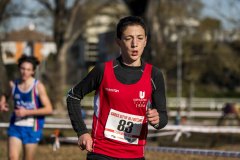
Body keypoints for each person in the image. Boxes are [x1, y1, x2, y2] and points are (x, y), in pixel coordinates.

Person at [67, 16, 168, 160]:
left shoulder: (154, 75)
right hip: (101, 152)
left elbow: (163, 118)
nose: (135, 44)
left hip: (134, 155)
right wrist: (82, 132)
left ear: (145, 41)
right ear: (118, 42)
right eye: (128, 38)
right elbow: (73, 97)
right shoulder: (103, 70)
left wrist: (157, 120)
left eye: (139, 38)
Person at [0, 55, 53, 160]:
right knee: (12, 157)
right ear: (19, 68)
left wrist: (26, 112)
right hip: (16, 126)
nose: (25, 72)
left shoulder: (38, 86)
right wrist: (2, 101)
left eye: (28, 69)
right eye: (23, 69)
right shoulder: (13, 84)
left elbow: (49, 109)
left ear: (33, 71)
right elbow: (6, 94)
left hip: (32, 129)